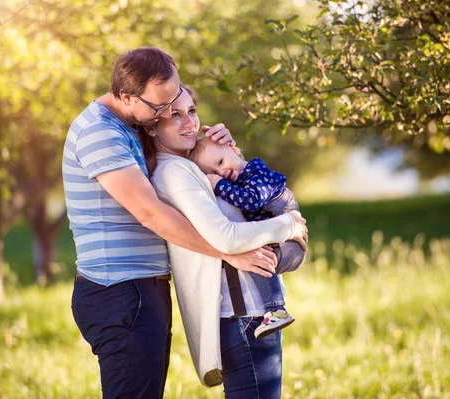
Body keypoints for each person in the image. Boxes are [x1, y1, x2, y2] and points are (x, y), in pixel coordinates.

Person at [62, 47, 308, 399]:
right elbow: (151, 213)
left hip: (142, 289)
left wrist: (213, 150)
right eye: (161, 108)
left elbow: (192, 180)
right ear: (127, 97)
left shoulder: (133, 123)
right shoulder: (101, 132)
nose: (167, 112)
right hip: (119, 290)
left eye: (178, 101)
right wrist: (228, 252)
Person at [144, 84, 308, 398]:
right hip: (245, 312)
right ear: (152, 126)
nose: (190, 122)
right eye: (174, 115)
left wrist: (231, 153)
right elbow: (228, 236)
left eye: (191, 111)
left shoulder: (192, 166)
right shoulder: (175, 173)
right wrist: (289, 224)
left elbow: (250, 214)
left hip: (250, 311)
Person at [189, 137, 306, 338]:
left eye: (220, 162)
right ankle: (276, 310)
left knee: (258, 258)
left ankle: (276, 310)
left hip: (287, 230)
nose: (221, 173)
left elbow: (251, 202)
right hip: (281, 233)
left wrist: (218, 186)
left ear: (234, 150)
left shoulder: (256, 172)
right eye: (214, 173)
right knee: (257, 255)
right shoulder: (242, 178)